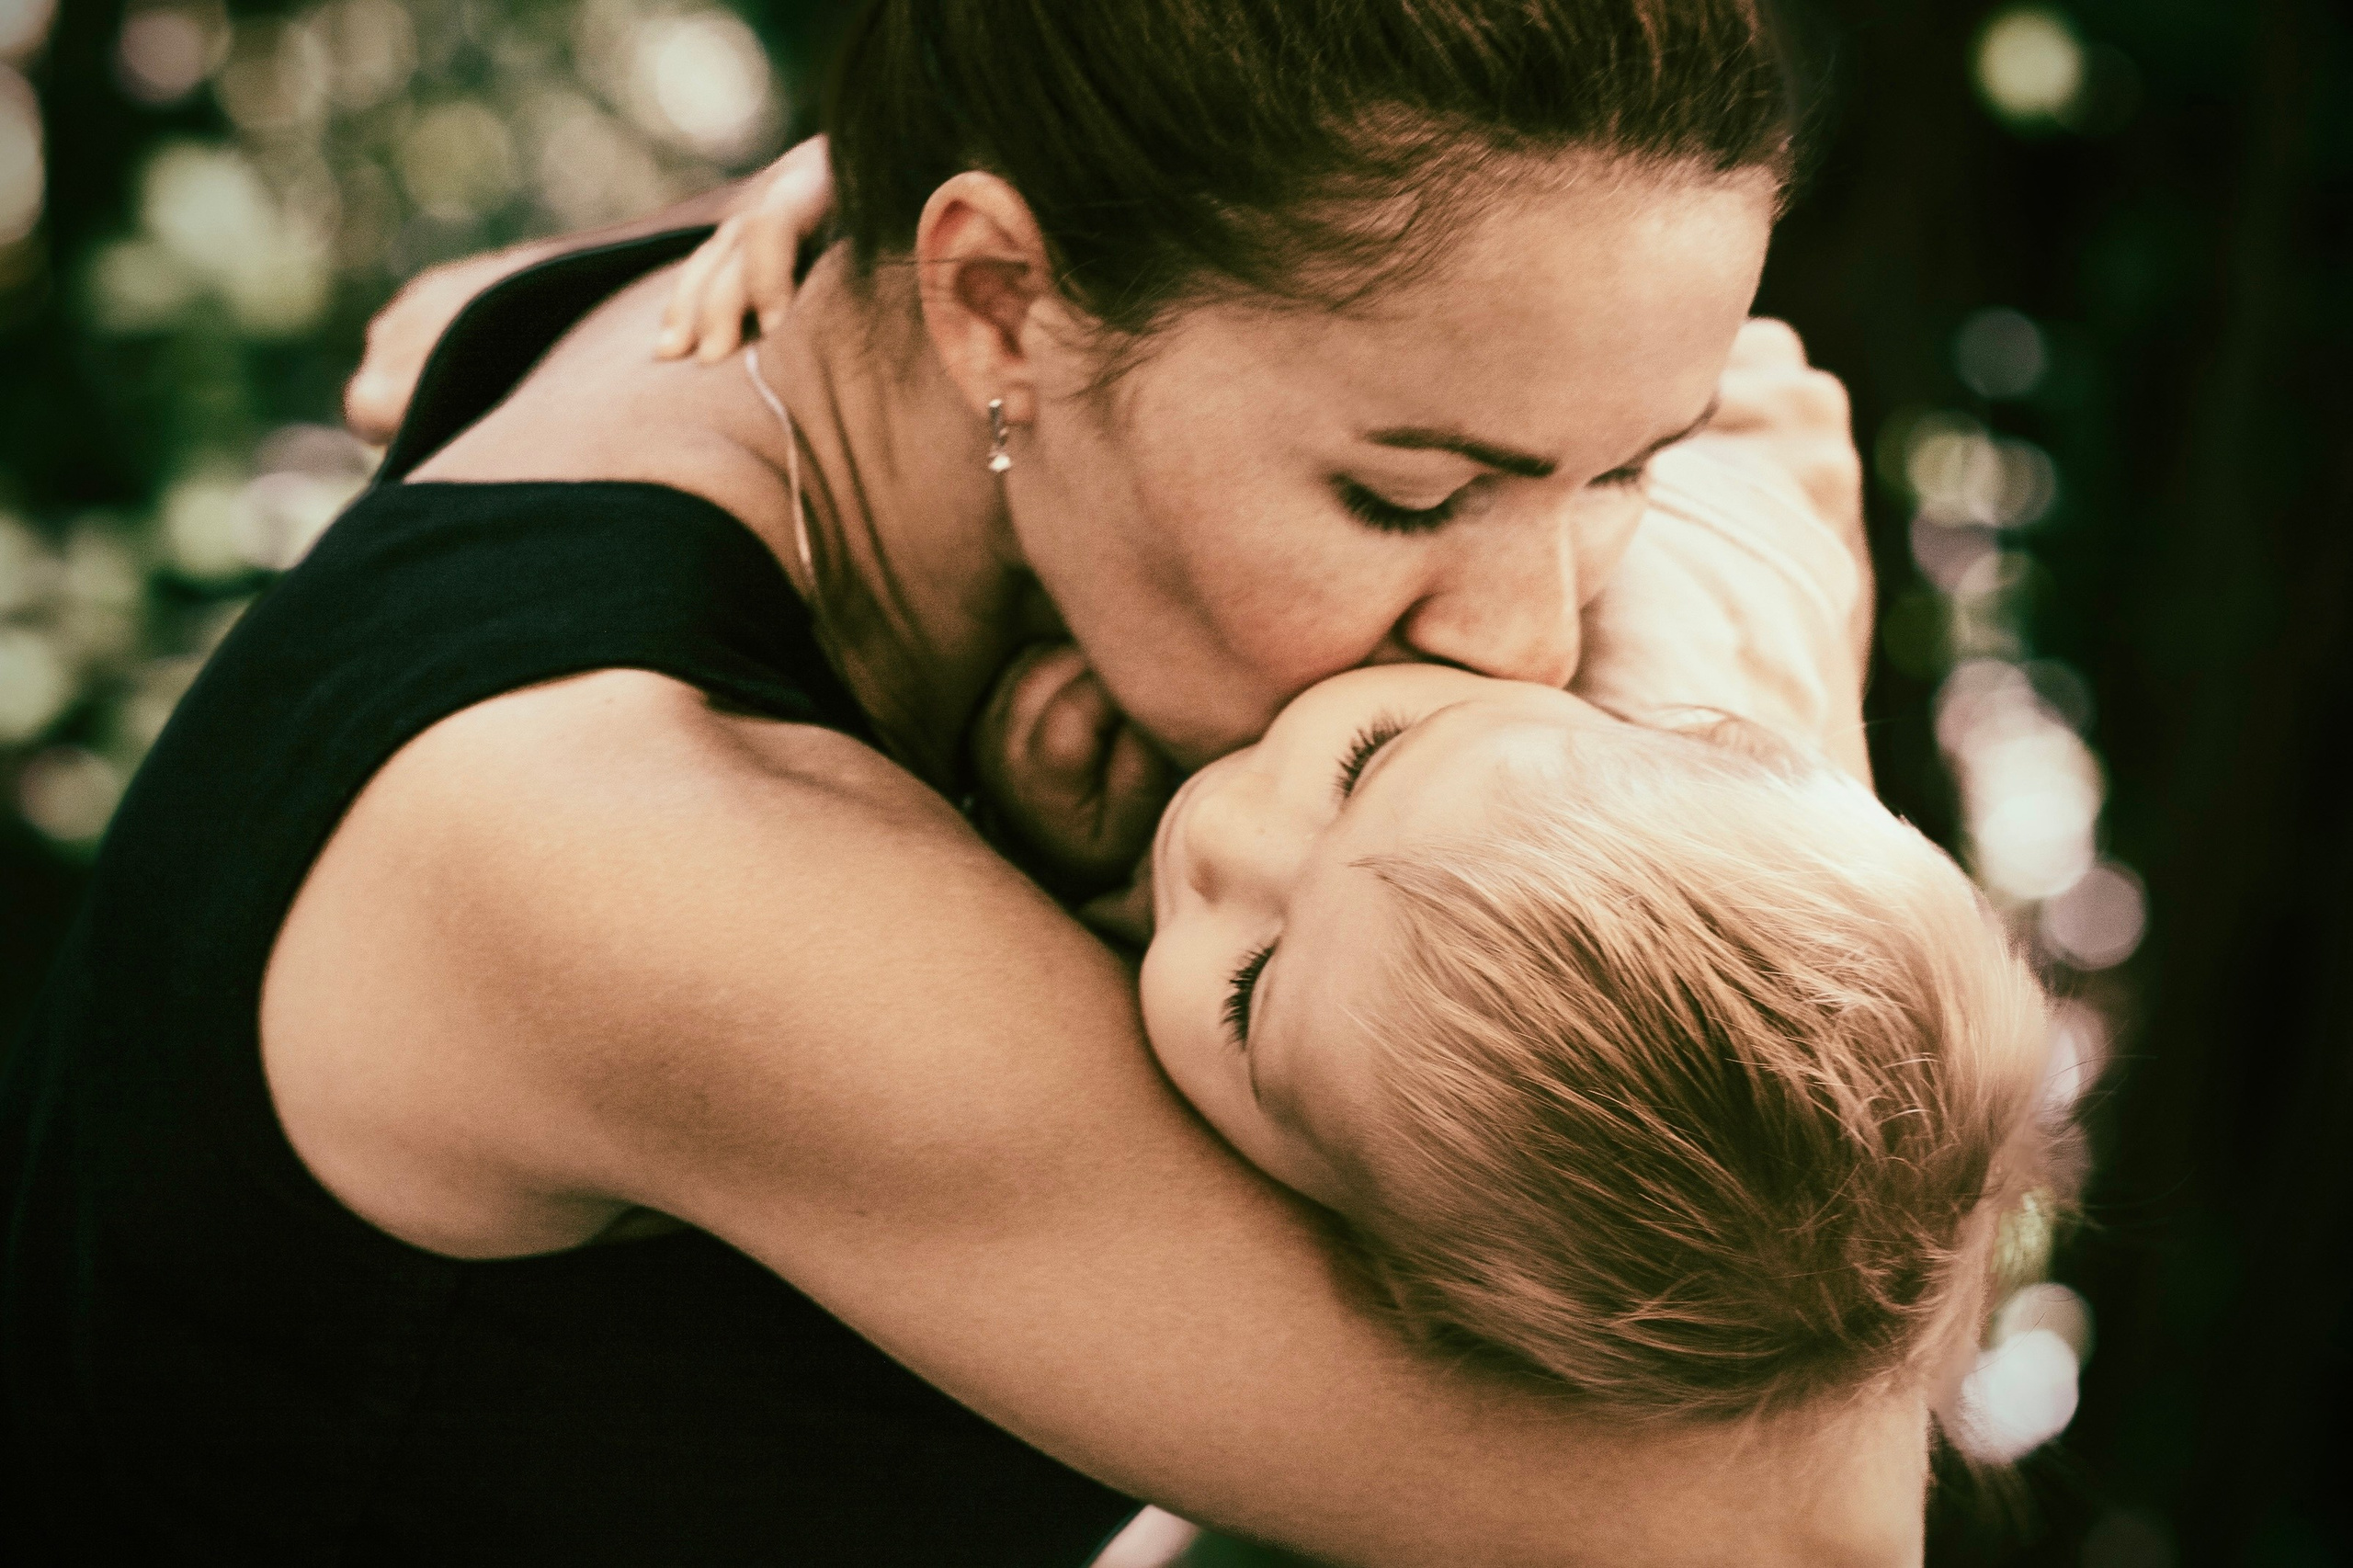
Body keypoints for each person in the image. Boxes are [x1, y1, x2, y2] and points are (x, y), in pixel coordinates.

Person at [1, 1, 1926, 1562]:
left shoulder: (824, 301)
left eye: (1620, 475)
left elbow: (1749, 389)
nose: (1526, 636)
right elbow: (1793, 1519)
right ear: (995, 300)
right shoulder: (628, 850)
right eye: (1407, 494)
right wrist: (1760, 796)